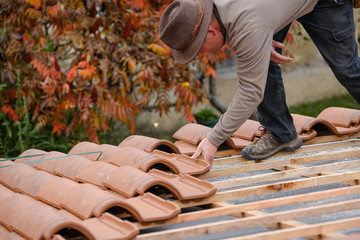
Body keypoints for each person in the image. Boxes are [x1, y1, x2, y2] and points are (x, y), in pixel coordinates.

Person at [158, 0, 360, 165]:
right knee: (259, 62)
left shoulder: (248, 25)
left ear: (210, 31)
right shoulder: (217, 12)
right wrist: (258, 42)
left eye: (199, 49)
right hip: (266, 10)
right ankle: (281, 133)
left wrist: (213, 139)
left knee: (348, 69)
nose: (201, 55)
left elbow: (250, 92)